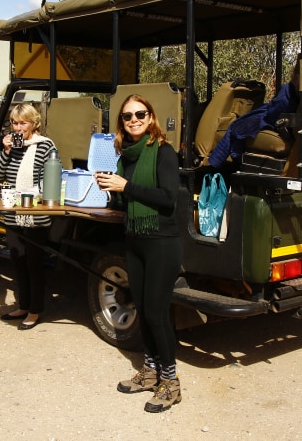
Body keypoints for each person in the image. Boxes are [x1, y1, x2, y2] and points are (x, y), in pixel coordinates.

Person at [95, 95, 183, 413]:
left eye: (139, 114)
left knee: (157, 314)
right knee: (143, 310)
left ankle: (171, 384)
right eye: (127, 116)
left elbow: (168, 197)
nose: (133, 119)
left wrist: (126, 187)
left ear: (151, 117)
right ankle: (149, 372)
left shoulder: (163, 151)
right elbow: (125, 202)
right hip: (135, 239)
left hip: (161, 241)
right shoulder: (126, 157)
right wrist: (111, 190)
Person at [0, 103, 57, 330]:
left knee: (33, 262)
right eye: (15, 123)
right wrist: (6, 151)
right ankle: (23, 305)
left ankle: (35, 310)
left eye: (23, 123)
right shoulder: (13, 146)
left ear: (33, 123)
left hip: (34, 212)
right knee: (17, 260)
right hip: (13, 211)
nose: (18, 128)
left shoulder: (45, 146)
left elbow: (50, 179)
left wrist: (27, 195)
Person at [208, 63, 300, 169]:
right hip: (289, 127)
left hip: (283, 125)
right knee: (239, 125)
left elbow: (272, 113)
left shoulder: (288, 93)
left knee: (236, 127)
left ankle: (214, 166)